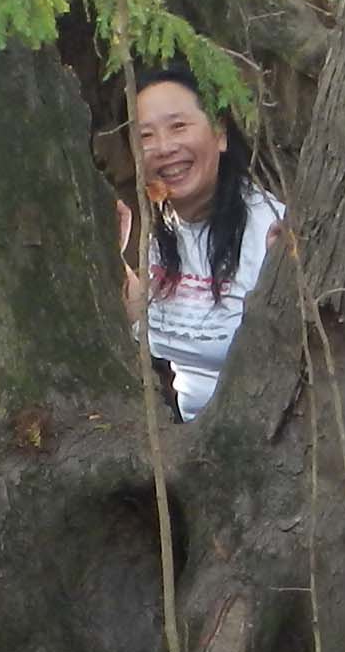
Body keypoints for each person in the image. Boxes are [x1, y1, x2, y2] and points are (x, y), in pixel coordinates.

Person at [119, 72, 286, 421]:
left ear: (220, 134)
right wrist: (109, 257)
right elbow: (145, 323)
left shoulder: (271, 231)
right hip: (190, 437)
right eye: (145, 136)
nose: (164, 147)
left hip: (269, 432)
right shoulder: (163, 227)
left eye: (178, 127)